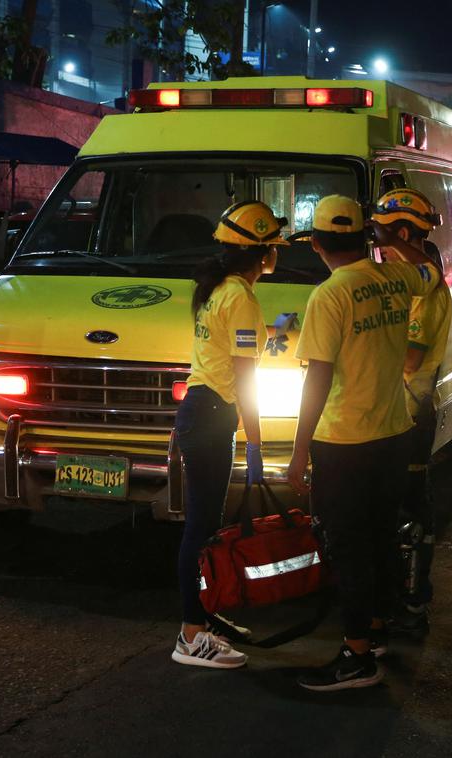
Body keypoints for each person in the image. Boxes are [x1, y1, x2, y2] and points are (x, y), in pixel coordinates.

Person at [287, 195, 440, 691]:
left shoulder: (329, 295)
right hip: (393, 435)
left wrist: (297, 450)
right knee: (378, 540)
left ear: (316, 244)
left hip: (345, 441)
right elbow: (431, 272)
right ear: (365, 238)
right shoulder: (394, 277)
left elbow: (317, 379)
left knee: (349, 547)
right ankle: (375, 633)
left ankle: (356, 657)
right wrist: (393, 240)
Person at [171, 200, 286, 670]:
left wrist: (277, 332)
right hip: (212, 415)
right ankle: (190, 634)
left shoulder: (219, 289)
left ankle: (206, 615)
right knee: (199, 527)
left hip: (201, 412)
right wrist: (256, 440)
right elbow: (244, 378)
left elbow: (231, 351)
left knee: (207, 524)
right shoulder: (240, 296)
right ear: (262, 254)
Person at [371, 188, 449, 639]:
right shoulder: (408, 279)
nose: (379, 248)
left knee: (411, 508)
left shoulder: (425, 287)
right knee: (397, 507)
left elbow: (411, 360)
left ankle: (413, 597)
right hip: (398, 412)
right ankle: (402, 595)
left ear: (402, 233)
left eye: (382, 237)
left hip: (410, 414)